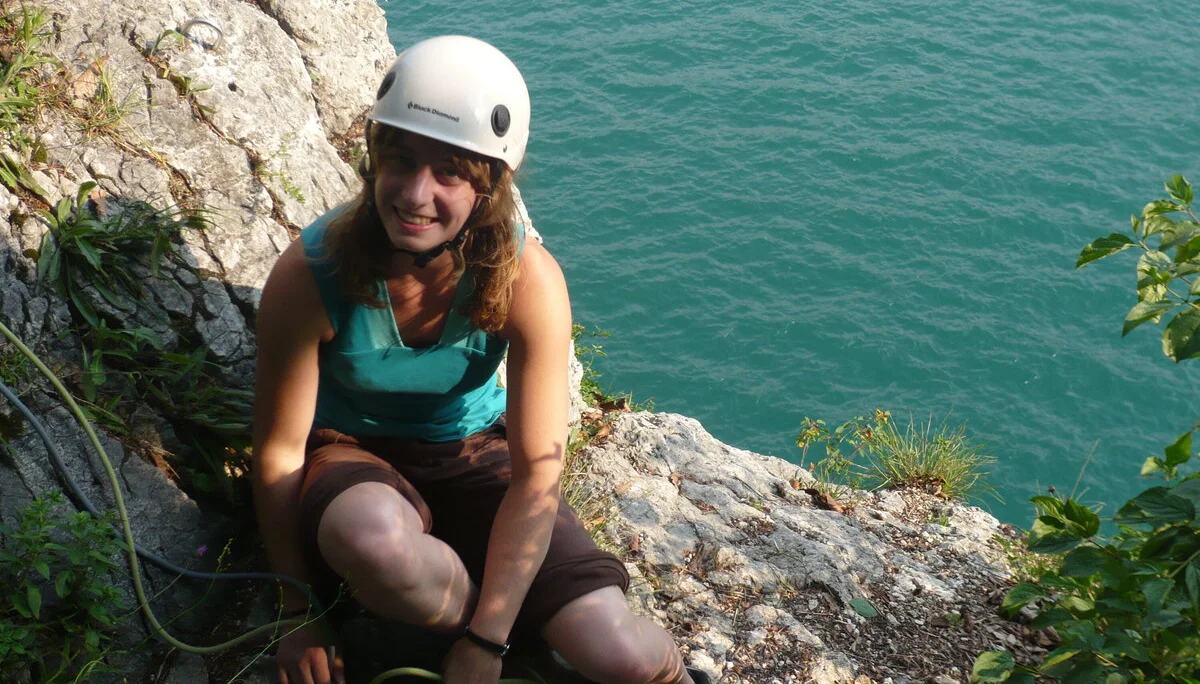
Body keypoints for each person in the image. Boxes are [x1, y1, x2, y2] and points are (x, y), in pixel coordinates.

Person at [252, 35, 706, 684]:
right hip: (350, 452)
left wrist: (487, 639)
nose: (414, 193)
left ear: (487, 186)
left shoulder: (527, 280)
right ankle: (498, 639)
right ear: (374, 159)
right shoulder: (313, 271)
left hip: (472, 453)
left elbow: (536, 475)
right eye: (400, 160)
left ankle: (660, 670)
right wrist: (297, 610)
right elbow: (279, 453)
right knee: (376, 542)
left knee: (620, 656)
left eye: (450, 172)